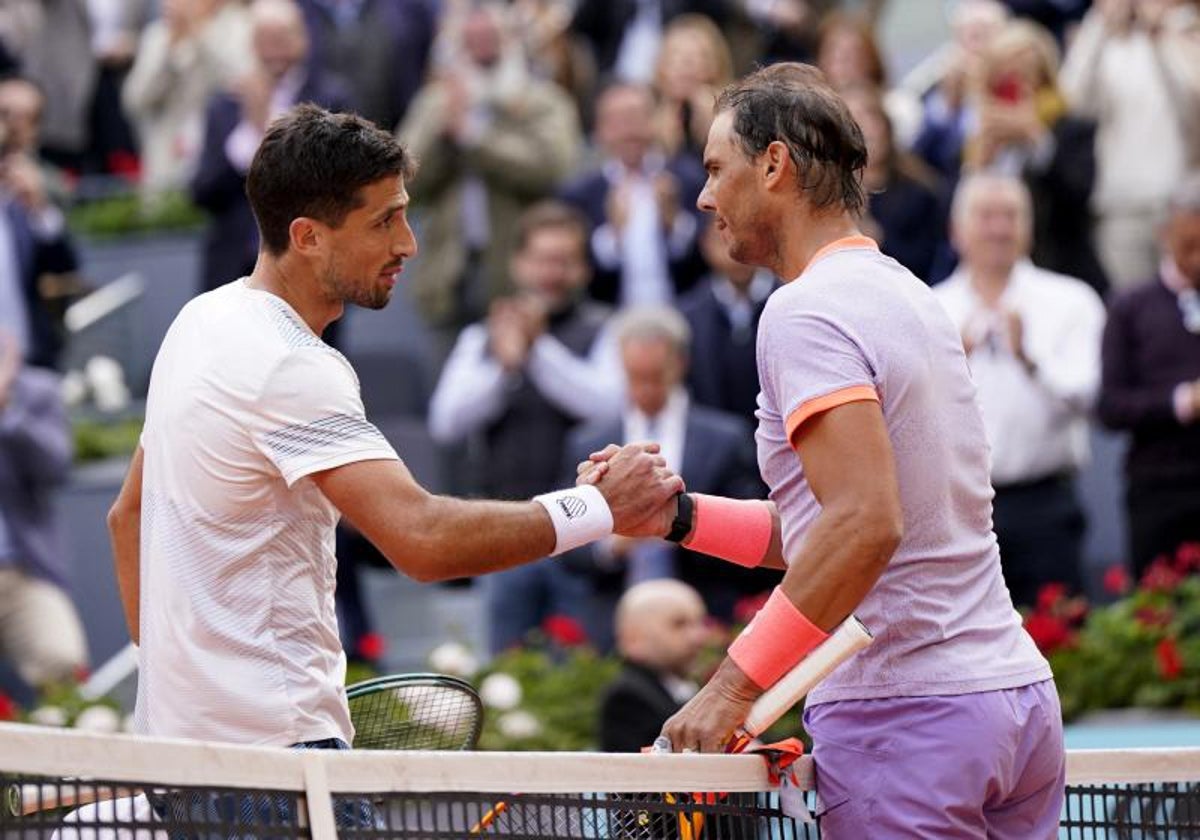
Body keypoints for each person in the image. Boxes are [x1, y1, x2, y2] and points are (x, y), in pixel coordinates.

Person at [106, 103, 681, 751]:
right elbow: (423, 539)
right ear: (308, 236)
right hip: (281, 766)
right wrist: (598, 507)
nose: (407, 243)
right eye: (384, 221)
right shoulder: (292, 365)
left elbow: (126, 518)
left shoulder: (197, 324)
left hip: (180, 757)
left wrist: (177, 683)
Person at [583, 64, 1063, 838]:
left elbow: (864, 527)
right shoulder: (912, 294)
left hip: (908, 717)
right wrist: (678, 516)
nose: (703, 197)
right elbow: (833, 530)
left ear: (773, 166)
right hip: (1012, 704)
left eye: (714, 169)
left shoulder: (804, 311)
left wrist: (730, 689)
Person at [427, 201, 623, 653]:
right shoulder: (482, 337)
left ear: (584, 269)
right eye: (541, 260)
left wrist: (536, 351)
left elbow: (606, 407)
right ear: (518, 264)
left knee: (581, 671)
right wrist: (503, 365)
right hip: (503, 530)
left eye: (564, 262)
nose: (551, 273)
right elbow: (447, 422)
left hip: (582, 537)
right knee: (504, 671)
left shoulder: (605, 329)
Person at [933, 172, 1104, 608]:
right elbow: (905, 413)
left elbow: (1089, 395)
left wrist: (1031, 359)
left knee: (1061, 637)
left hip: (1045, 501)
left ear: (1028, 226)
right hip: (955, 508)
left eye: (1010, 216)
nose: (998, 228)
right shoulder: (929, 307)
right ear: (957, 231)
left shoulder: (1070, 300)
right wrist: (955, 364)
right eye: (985, 216)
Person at [564, 305, 772, 649]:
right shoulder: (586, 442)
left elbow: (754, 533)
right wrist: (611, 547)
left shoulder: (725, 438)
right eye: (635, 377)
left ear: (679, 365)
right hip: (612, 624)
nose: (644, 390)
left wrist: (680, 528)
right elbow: (567, 543)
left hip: (706, 617)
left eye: (655, 376)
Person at [191, 0, 351, 294]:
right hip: (235, 271)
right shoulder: (226, 105)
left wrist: (266, 134)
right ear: (251, 45)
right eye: (264, 39)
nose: (274, 49)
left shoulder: (332, 101)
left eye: (282, 38)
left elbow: (337, 183)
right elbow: (203, 191)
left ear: (303, 40)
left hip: (310, 271)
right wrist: (249, 133)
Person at [1098, 172, 1200, 578]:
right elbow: (1109, 407)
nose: (1198, 258)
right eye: (1189, 245)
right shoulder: (1130, 307)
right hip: (1158, 492)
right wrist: (1183, 402)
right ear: (1165, 234)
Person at [0, 331, 88, 691]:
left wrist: (7, 411)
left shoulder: (36, 391)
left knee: (64, 665)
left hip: (24, 570)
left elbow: (56, 466)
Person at [598, 579, 708, 753]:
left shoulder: (687, 688)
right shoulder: (627, 698)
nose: (698, 637)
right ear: (633, 638)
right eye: (679, 624)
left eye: (700, 623)